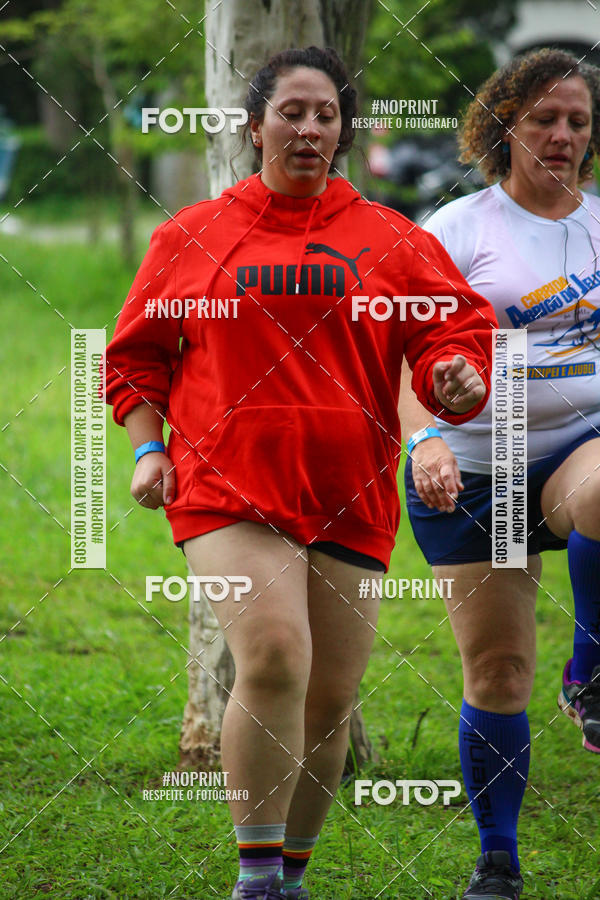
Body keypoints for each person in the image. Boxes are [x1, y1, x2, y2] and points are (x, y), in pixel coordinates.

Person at [104, 46, 496, 900]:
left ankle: (291, 875)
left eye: (326, 115)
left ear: (344, 132)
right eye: (292, 112)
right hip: (227, 486)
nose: (310, 128)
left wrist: (455, 376)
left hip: (349, 493)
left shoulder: (390, 239)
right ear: (253, 127)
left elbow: (449, 336)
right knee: (277, 655)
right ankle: (254, 879)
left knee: (329, 700)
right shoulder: (194, 235)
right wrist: (147, 447)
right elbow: (135, 360)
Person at [400, 48, 600, 900]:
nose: (561, 136)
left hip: (578, 448)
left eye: (577, 121)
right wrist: (423, 442)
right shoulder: (455, 230)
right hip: (474, 468)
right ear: (503, 124)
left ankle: (589, 669)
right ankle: (498, 858)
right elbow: (392, 361)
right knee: (498, 672)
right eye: (543, 119)